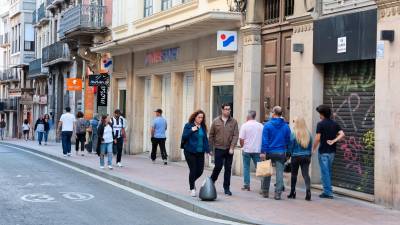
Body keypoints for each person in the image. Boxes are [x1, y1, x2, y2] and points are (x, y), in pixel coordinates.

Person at [313, 105, 345, 199]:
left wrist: (314, 148)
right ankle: (327, 190)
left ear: (322, 114)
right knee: (328, 171)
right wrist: (334, 141)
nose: (319, 115)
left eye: (319, 113)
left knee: (325, 172)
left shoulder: (320, 124)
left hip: (323, 151)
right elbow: (342, 134)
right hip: (332, 152)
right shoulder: (334, 123)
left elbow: (317, 138)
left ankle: (328, 192)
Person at [260, 106, 291, 200]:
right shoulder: (286, 126)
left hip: (269, 151)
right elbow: (288, 140)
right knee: (279, 173)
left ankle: (265, 191)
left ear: (273, 113)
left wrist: (262, 152)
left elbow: (264, 140)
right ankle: (278, 194)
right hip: (281, 152)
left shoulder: (267, 125)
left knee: (267, 172)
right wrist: (288, 152)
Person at [209, 103, 239, 196]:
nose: (228, 111)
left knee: (228, 169)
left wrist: (232, 147)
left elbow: (235, 135)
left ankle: (226, 188)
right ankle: (211, 181)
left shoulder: (234, 122)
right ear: (222, 110)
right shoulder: (216, 121)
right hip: (218, 148)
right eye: (226, 109)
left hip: (229, 149)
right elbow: (211, 135)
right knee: (218, 167)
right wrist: (210, 148)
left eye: (229, 109)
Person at [181, 110, 211, 197]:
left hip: (200, 152)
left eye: (202, 117)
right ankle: (192, 189)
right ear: (195, 117)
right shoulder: (188, 125)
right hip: (190, 151)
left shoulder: (203, 126)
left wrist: (208, 150)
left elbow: (205, 139)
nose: (201, 119)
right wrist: (191, 130)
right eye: (199, 117)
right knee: (193, 170)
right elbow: (184, 136)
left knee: (200, 171)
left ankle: (191, 182)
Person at [287, 117, 312, 201]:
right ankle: (308, 190)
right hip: (306, 156)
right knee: (306, 174)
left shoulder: (294, 134)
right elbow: (310, 147)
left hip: (296, 157)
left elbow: (290, 146)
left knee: (294, 174)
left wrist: (288, 155)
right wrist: (309, 155)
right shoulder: (308, 134)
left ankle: (292, 192)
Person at [239, 110, 263, 191]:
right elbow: (263, 138)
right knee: (259, 168)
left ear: (248, 116)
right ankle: (263, 185)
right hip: (257, 150)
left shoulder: (244, 125)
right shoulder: (260, 126)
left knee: (246, 167)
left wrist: (242, 146)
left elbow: (241, 139)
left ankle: (246, 185)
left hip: (247, 149)